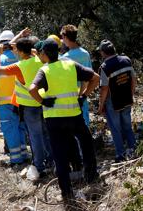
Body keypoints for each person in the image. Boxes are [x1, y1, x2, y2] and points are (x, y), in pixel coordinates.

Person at [29, 38, 99, 201]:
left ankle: (67, 193)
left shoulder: (44, 70)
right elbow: (95, 78)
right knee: (87, 145)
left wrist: (43, 101)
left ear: (44, 54)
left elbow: (32, 89)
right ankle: (91, 177)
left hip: (54, 120)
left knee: (60, 156)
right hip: (74, 117)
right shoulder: (70, 64)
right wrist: (83, 95)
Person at [0, 36, 53, 180]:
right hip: (43, 103)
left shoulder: (19, 66)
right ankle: (52, 161)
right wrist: (22, 46)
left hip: (29, 107)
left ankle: (39, 166)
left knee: (35, 137)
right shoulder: (39, 59)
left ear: (19, 52)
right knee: (46, 134)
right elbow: (32, 52)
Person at [0, 30, 28, 166]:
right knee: (21, 127)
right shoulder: (21, 57)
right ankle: (24, 155)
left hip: (4, 103)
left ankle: (16, 159)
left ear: (0, 44)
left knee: (10, 131)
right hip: (21, 100)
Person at [97, 40, 137, 162]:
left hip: (113, 103)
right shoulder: (126, 60)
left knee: (115, 129)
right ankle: (133, 149)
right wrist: (131, 93)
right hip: (126, 98)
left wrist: (100, 106)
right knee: (127, 126)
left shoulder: (104, 67)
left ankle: (121, 154)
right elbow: (133, 79)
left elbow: (104, 89)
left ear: (103, 53)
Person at [60, 25, 92, 126]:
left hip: (71, 96)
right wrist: (83, 95)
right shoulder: (85, 54)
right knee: (84, 125)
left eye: (62, 37)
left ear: (65, 37)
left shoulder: (65, 57)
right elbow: (89, 77)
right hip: (83, 95)